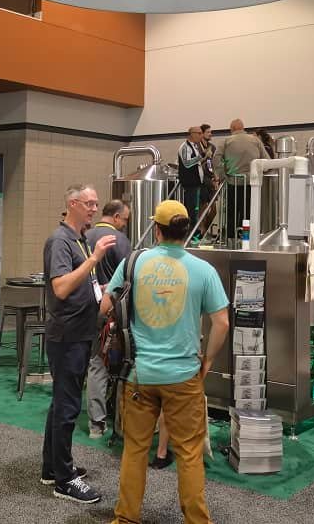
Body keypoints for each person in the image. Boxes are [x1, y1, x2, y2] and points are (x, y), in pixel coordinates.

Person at [100, 200, 230, 524]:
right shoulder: (204, 270)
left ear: (157, 230)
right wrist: (207, 361)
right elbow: (222, 323)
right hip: (184, 376)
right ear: (186, 231)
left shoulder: (133, 262)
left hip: (138, 374)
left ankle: (125, 519)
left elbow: (105, 306)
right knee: (189, 454)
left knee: (135, 450)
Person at [40, 184, 115, 504]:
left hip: (81, 333)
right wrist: (95, 258)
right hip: (67, 335)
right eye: (89, 203)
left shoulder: (80, 240)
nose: (94, 209)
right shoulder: (59, 241)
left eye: (96, 204)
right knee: (68, 407)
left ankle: (52, 468)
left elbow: (84, 283)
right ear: (72, 204)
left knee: (62, 403)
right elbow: (60, 287)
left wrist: (106, 289)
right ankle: (64, 480)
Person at [84, 199, 132, 439]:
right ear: (116, 217)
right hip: (112, 313)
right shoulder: (120, 241)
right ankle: (122, 420)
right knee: (117, 364)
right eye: (125, 219)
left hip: (85, 310)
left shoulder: (84, 237)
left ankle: (96, 424)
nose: (125, 224)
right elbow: (128, 279)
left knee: (94, 364)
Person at [213, 119, 269, 240]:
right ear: (243, 128)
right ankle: (248, 239)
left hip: (233, 182)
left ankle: (231, 240)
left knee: (231, 214)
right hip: (252, 184)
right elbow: (266, 161)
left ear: (232, 129)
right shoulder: (255, 140)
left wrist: (223, 175)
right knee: (249, 213)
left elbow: (216, 159)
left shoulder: (226, 141)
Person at [177, 127, 205, 234]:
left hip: (196, 183)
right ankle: (190, 234)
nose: (201, 135)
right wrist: (202, 156)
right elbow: (187, 163)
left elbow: (196, 163)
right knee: (191, 210)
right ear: (192, 134)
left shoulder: (195, 146)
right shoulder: (185, 147)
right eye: (199, 133)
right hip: (189, 183)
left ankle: (194, 233)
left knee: (196, 210)